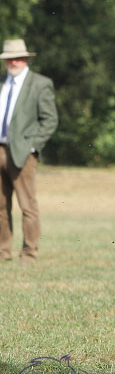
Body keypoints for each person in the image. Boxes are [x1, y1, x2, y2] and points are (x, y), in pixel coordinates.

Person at [0, 39, 58, 262]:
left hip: (23, 152)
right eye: (9, 59)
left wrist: (32, 146)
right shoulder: (2, 82)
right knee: (1, 207)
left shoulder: (40, 84)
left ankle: (29, 253)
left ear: (26, 59)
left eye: (18, 57)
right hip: (0, 150)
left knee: (27, 206)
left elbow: (50, 120)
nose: (13, 62)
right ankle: (3, 252)